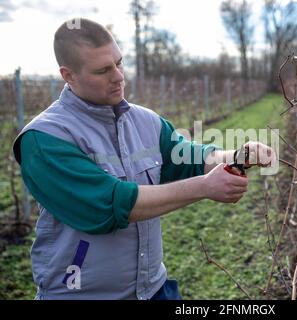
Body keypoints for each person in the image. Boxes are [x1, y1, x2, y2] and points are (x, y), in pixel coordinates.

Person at [12, 18, 275, 300]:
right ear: (68, 75)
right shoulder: (44, 138)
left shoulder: (145, 121)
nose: (118, 76)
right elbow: (110, 204)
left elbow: (188, 157)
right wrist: (204, 187)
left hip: (152, 289)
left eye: (119, 62)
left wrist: (237, 157)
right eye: (103, 70)